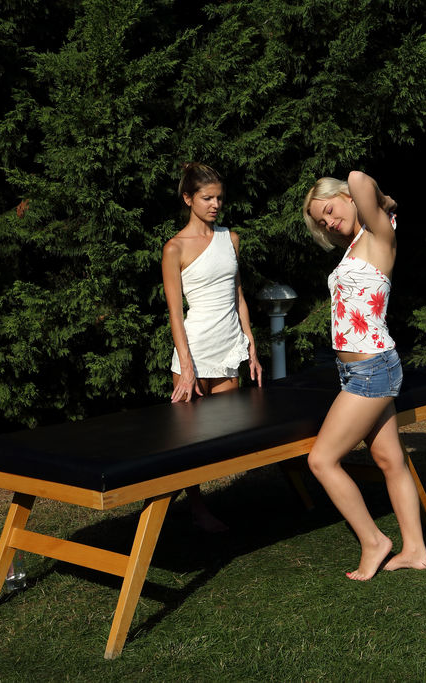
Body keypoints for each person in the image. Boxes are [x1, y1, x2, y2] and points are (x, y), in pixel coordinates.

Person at [301, 170, 426, 580]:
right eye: (321, 221)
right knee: (389, 459)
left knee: (322, 460)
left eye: (330, 209)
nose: (328, 222)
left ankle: (374, 541)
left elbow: (357, 177)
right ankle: (415, 550)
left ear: (346, 197)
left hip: (371, 369)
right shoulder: (357, 244)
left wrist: (383, 201)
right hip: (358, 368)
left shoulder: (379, 234)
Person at [162, 162, 263, 532]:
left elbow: (238, 296)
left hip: (228, 349)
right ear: (188, 199)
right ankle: (197, 507)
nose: (215, 204)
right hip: (193, 350)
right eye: (207, 198)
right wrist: (187, 366)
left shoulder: (230, 239)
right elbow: (175, 315)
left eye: (219, 198)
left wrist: (251, 345)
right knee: (188, 441)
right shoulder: (174, 248)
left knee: (226, 436)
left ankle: (165, 495)